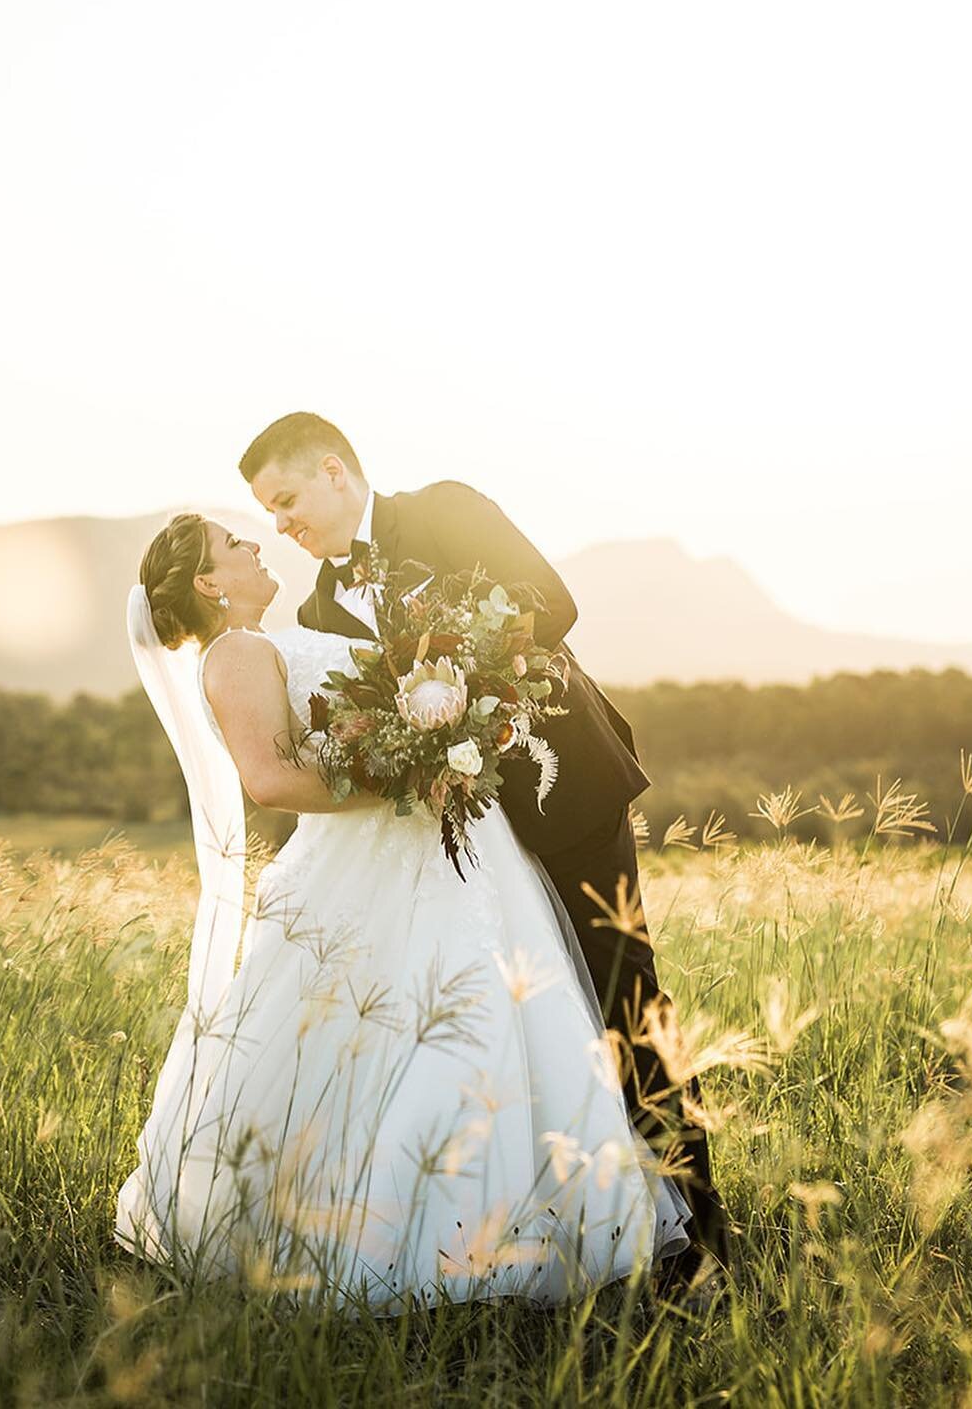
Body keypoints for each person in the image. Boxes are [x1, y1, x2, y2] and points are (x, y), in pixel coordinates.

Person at [115, 511, 692, 1310]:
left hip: (432, 854)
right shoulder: (239, 652)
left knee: (477, 1018)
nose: (255, 546)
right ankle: (428, 1235)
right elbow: (273, 782)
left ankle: (488, 1217)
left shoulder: (268, 639)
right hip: (376, 858)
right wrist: (411, 779)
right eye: (235, 545)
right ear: (210, 584)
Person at [240, 411, 729, 1293]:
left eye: (286, 500)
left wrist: (458, 677)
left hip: (563, 793)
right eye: (269, 514)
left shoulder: (448, 511)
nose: (282, 524)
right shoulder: (316, 607)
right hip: (459, 846)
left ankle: (700, 1228)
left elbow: (553, 603)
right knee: (531, 1025)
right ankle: (567, 1216)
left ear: (333, 470)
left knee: (624, 993)